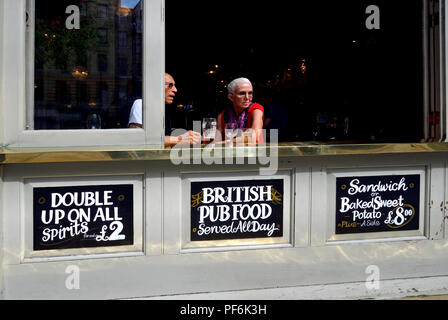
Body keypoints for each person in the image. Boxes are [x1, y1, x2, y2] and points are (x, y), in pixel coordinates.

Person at [128, 73, 201, 146]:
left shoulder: (163, 110)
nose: (175, 90)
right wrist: (179, 139)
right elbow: (137, 139)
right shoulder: (141, 104)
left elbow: (163, 142)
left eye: (174, 86)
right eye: (170, 85)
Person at [216, 77, 264, 145]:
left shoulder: (256, 110)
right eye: (242, 93)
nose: (247, 98)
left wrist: (225, 142)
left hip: (254, 153)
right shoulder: (222, 116)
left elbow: (254, 136)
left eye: (250, 93)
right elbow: (215, 141)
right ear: (231, 97)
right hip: (230, 154)